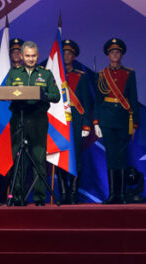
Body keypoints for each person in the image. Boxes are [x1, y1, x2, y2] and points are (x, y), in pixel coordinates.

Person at [6, 41, 60, 206]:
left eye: (34, 56)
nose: (30, 59)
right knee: (18, 159)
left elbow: (56, 96)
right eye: (27, 56)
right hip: (19, 118)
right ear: (22, 56)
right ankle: (17, 197)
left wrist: (42, 95)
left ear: (38, 56)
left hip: (38, 120)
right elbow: (6, 92)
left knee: (38, 158)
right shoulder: (14, 74)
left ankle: (39, 198)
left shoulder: (46, 74)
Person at [93, 38, 139, 204]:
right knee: (111, 157)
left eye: (117, 52)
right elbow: (97, 100)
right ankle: (112, 194)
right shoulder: (100, 75)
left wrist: (135, 123)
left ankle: (121, 194)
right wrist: (96, 122)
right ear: (108, 54)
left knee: (122, 157)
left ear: (121, 54)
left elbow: (134, 98)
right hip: (106, 119)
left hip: (123, 119)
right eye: (112, 52)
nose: (115, 54)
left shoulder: (129, 73)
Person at [56, 39, 93, 204]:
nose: (66, 56)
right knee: (60, 157)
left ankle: (73, 193)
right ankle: (63, 193)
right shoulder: (54, 76)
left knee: (75, 158)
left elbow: (86, 102)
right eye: (64, 52)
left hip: (76, 121)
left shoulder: (81, 77)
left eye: (69, 53)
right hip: (59, 120)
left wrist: (86, 124)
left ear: (74, 56)